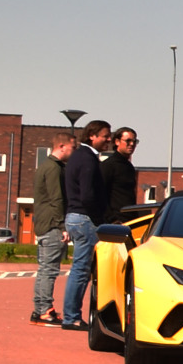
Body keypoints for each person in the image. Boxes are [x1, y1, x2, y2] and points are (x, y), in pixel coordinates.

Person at [60, 120, 113, 329]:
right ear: (92, 135)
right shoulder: (88, 159)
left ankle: (71, 315)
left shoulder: (77, 157)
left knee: (80, 268)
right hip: (84, 218)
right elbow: (88, 195)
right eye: (105, 136)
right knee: (81, 269)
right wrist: (100, 219)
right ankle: (71, 316)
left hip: (74, 216)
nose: (108, 139)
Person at [30, 132, 72, 326]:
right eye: (73, 147)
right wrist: (62, 226)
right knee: (49, 270)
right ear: (61, 146)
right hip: (52, 225)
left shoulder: (44, 167)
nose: (74, 151)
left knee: (44, 269)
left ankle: (40, 309)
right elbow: (57, 199)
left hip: (43, 223)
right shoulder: (54, 169)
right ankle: (45, 311)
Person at [102, 127, 140, 212]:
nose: (132, 144)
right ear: (117, 142)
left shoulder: (128, 166)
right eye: (128, 141)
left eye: (134, 141)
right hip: (116, 219)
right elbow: (101, 195)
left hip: (129, 217)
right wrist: (111, 219)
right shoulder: (108, 165)